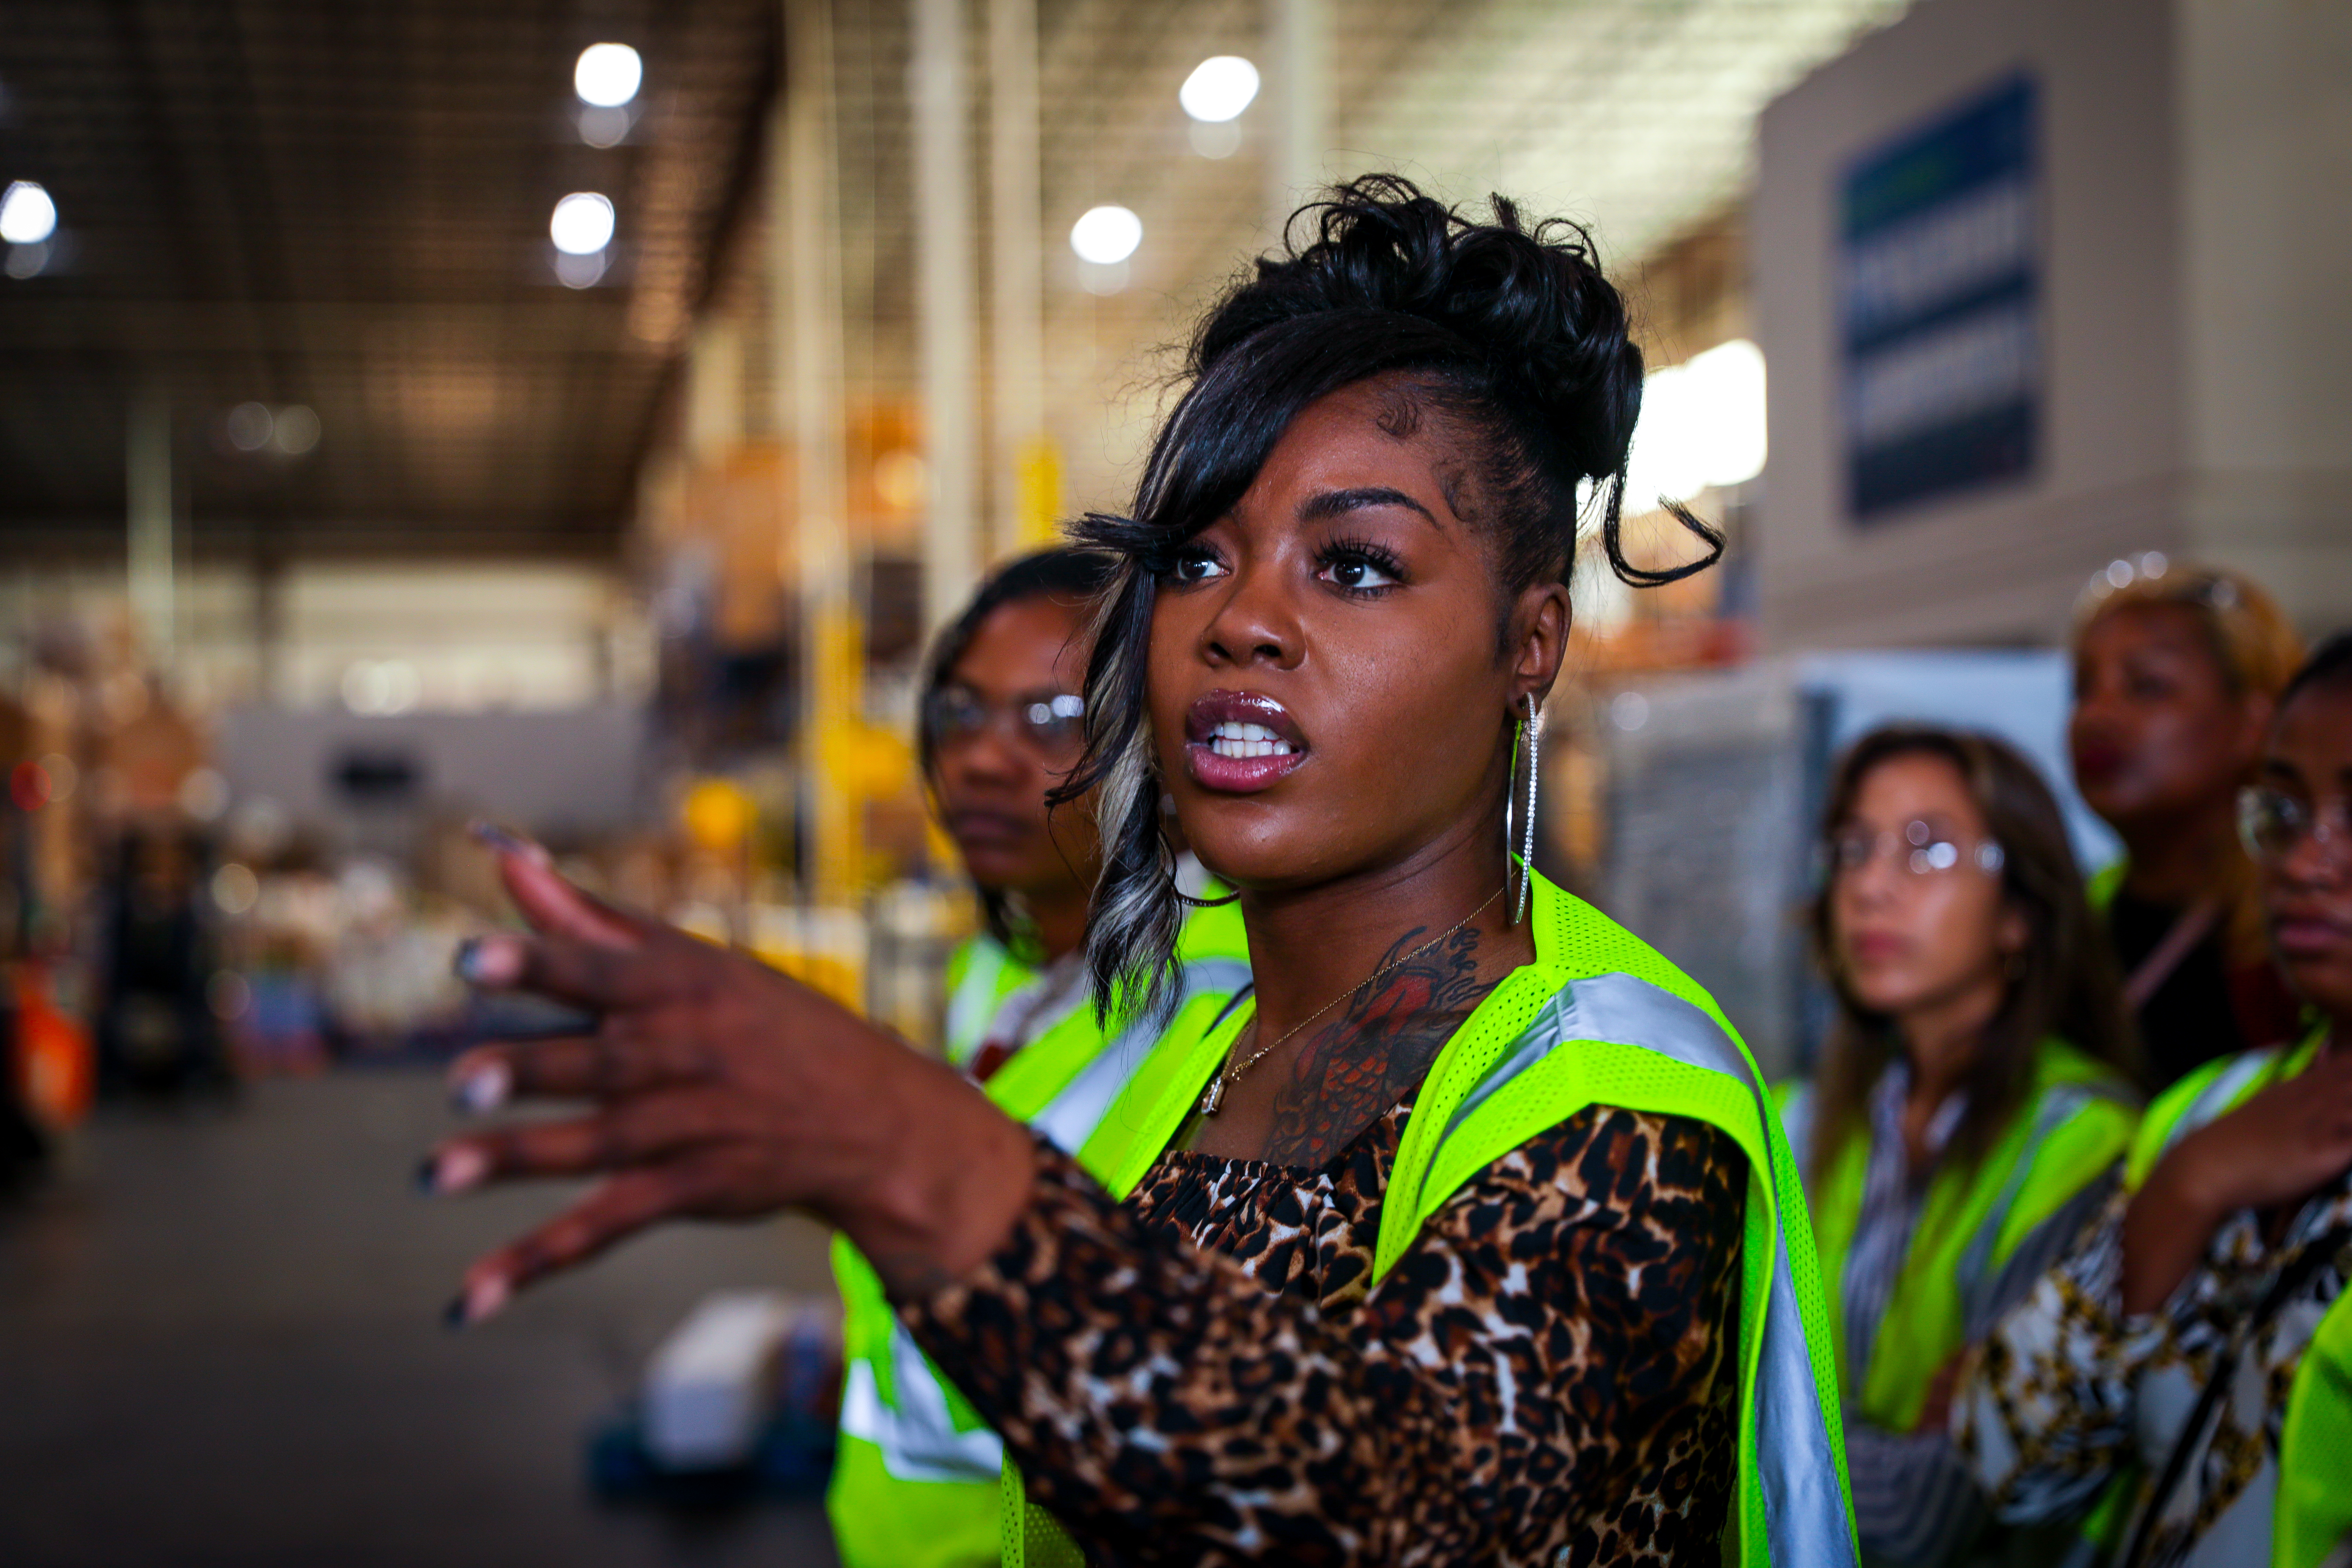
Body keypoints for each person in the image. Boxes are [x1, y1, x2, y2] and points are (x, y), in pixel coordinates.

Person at [423, 177, 1856, 1566]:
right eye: (1190, 558)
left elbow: (1404, 1515)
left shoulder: (1609, 1092)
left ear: (1529, 643)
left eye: (1352, 565)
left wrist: (905, 1149)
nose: (1241, 620)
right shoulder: (1198, 1054)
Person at [828, 549, 1251, 1568]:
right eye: (962, 714)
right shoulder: (1002, 964)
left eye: (1052, 720)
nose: (981, 758)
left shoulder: (1220, 997)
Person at [1957, 631, 2352, 1568]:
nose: (2304, 860)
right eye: (2286, 811)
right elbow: (2009, 1458)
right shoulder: (2208, 1109)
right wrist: (2185, 1191)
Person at [1779, 727, 2137, 1567]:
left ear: (2018, 910)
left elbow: (1931, 1516)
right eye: (1854, 848)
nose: (1870, 886)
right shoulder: (1793, 1120)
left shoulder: (2085, 1141)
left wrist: (1745, 1416)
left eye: (1926, 848)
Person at [2070, 563, 2304, 1090]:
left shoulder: (2300, 938)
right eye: (2083, 688)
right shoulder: (2060, 932)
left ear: (2253, 722)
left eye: (2146, 686)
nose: (2096, 716)